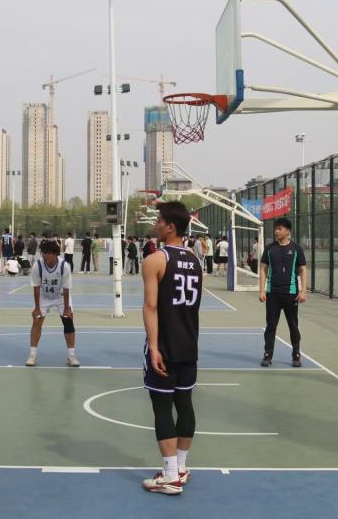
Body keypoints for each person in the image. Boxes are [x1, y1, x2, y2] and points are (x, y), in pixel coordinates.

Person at [141, 201, 202, 495]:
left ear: (171, 227)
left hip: (165, 345)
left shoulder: (155, 260)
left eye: (159, 221)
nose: (156, 224)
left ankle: (170, 476)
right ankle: (181, 468)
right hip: (189, 343)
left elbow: (151, 307)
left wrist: (154, 348)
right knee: (185, 403)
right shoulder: (196, 260)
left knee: (162, 407)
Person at [259, 218, 307, 368]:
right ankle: (267, 355)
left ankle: (296, 354)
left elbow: (303, 270)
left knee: (293, 325)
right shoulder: (269, 248)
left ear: (288, 231)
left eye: (280, 229)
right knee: (271, 326)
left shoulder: (296, 249)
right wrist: (262, 290)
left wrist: (303, 291)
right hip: (272, 293)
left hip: (291, 294)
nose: (276, 231)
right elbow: (263, 269)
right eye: (276, 229)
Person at [25, 239, 79, 367]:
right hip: (44, 296)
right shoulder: (38, 265)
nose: (45, 258)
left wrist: (67, 308)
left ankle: (71, 356)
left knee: (68, 322)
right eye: (43, 254)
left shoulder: (64, 266)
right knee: (36, 321)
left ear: (55, 254)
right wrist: (37, 308)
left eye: (47, 255)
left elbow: (66, 289)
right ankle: (32, 355)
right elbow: (36, 288)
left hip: (61, 296)